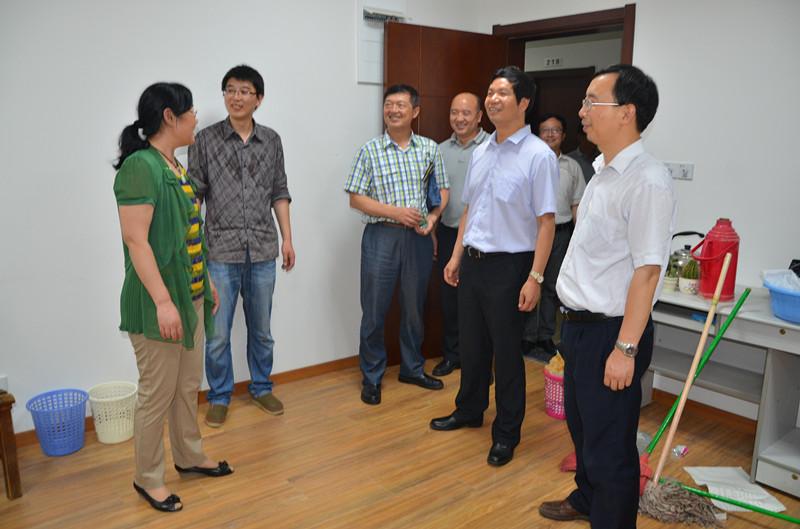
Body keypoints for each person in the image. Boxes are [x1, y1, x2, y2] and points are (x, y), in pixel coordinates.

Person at [538, 64, 676, 528]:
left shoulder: (647, 180)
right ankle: (587, 498)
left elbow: (647, 271)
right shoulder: (601, 171)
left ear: (626, 112)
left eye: (591, 102)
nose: (582, 111)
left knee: (610, 445)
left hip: (612, 333)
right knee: (583, 429)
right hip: (580, 327)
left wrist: (625, 348)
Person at [113, 82, 233, 513]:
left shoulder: (173, 164)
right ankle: (147, 478)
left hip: (190, 297)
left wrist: (206, 280)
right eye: (191, 111)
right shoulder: (140, 167)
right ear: (170, 117)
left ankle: (189, 455)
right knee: (156, 393)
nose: (197, 118)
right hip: (157, 304)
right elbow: (137, 241)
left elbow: (187, 234)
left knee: (185, 386)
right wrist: (164, 302)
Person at [430, 66, 558, 467]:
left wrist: (535, 277)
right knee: (471, 345)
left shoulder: (538, 155)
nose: (493, 99)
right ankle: (469, 410)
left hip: (511, 266)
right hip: (473, 261)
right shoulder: (482, 151)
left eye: (502, 93)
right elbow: (470, 209)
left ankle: (506, 432)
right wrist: (456, 257)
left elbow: (547, 222)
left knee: (505, 353)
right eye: (490, 92)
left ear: (524, 103)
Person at [188, 65, 295, 427]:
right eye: (230, 90)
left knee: (261, 330)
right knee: (217, 335)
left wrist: (287, 238)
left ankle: (262, 387)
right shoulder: (205, 140)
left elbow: (279, 191)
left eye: (244, 91)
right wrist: (193, 246)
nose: (236, 97)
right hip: (220, 251)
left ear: (258, 99)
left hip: (263, 249)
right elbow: (194, 196)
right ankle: (219, 396)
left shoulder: (272, 141)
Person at [345, 84, 449, 405]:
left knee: (414, 307)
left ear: (415, 111)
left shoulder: (429, 149)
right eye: (389, 104)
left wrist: (433, 219)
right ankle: (372, 377)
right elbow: (355, 199)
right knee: (374, 310)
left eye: (401, 105)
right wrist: (395, 213)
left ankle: (412, 368)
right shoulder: (370, 150)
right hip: (381, 236)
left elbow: (442, 191)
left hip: (417, 239)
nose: (393, 110)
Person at [432, 92, 488, 377]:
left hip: (481, 239)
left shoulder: (492, 147)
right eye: (454, 112)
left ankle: (480, 362)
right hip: (447, 233)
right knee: (450, 300)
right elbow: (433, 195)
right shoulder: (440, 150)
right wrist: (433, 229)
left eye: (466, 113)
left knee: (481, 303)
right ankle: (452, 355)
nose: (459, 118)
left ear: (479, 116)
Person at [523, 113, 586, 362]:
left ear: (564, 135)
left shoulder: (572, 167)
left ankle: (545, 336)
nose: (550, 135)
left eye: (555, 130)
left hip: (560, 234)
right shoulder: (529, 161)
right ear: (538, 134)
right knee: (529, 282)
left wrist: (579, 238)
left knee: (551, 287)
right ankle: (527, 336)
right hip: (532, 235)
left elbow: (576, 204)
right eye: (545, 130)